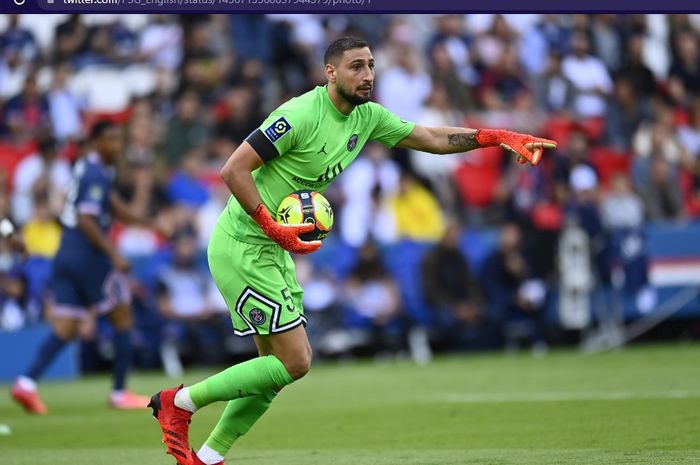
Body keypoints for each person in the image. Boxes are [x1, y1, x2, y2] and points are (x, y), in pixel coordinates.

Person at [149, 37, 556, 465]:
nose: (367, 75)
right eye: (356, 67)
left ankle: (209, 458)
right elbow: (233, 169)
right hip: (244, 245)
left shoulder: (368, 117)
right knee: (297, 361)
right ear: (330, 72)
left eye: (371, 66)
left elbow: (432, 137)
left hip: (274, 249)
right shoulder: (299, 114)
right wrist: (271, 226)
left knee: (272, 372)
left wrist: (494, 135)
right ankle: (180, 402)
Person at [10, 121, 157, 414]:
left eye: (119, 139)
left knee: (66, 327)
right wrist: (114, 253)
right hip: (88, 255)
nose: (117, 145)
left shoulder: (88, 170)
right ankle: (119, 392)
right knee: (122, 312)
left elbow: (111, 205)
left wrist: (146, 223)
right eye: (110, 139)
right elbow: (86, 219)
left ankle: (26, 384)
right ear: (94, 143)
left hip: (65, 253)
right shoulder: (94, 172)